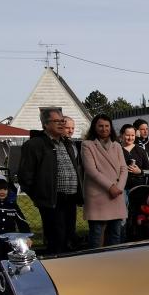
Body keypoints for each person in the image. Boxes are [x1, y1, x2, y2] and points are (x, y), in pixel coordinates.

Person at [18, 107, 82, 255]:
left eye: (62, 121)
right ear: (45, 124)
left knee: (69, 236)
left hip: (70, 198)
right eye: (56, 121)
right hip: (52, 200)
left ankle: (69, 268)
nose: (61, 124)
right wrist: (40, 196)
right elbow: (25, 176)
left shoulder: (67, 144)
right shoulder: (35, 145)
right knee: (56, 238)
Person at [81, 113, 128, 248]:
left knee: (115, 233)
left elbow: (124, 169)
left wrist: (119, 187)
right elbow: (91, 170)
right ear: (94, 127)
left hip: (116, 195)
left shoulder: (117, 146)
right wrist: (110, 187)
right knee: (96, 234)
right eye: (100, 126)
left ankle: (114, 261)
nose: (104, 128)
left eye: (107, 126)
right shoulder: (87, 145)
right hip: (98, 195)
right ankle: (95, 263)